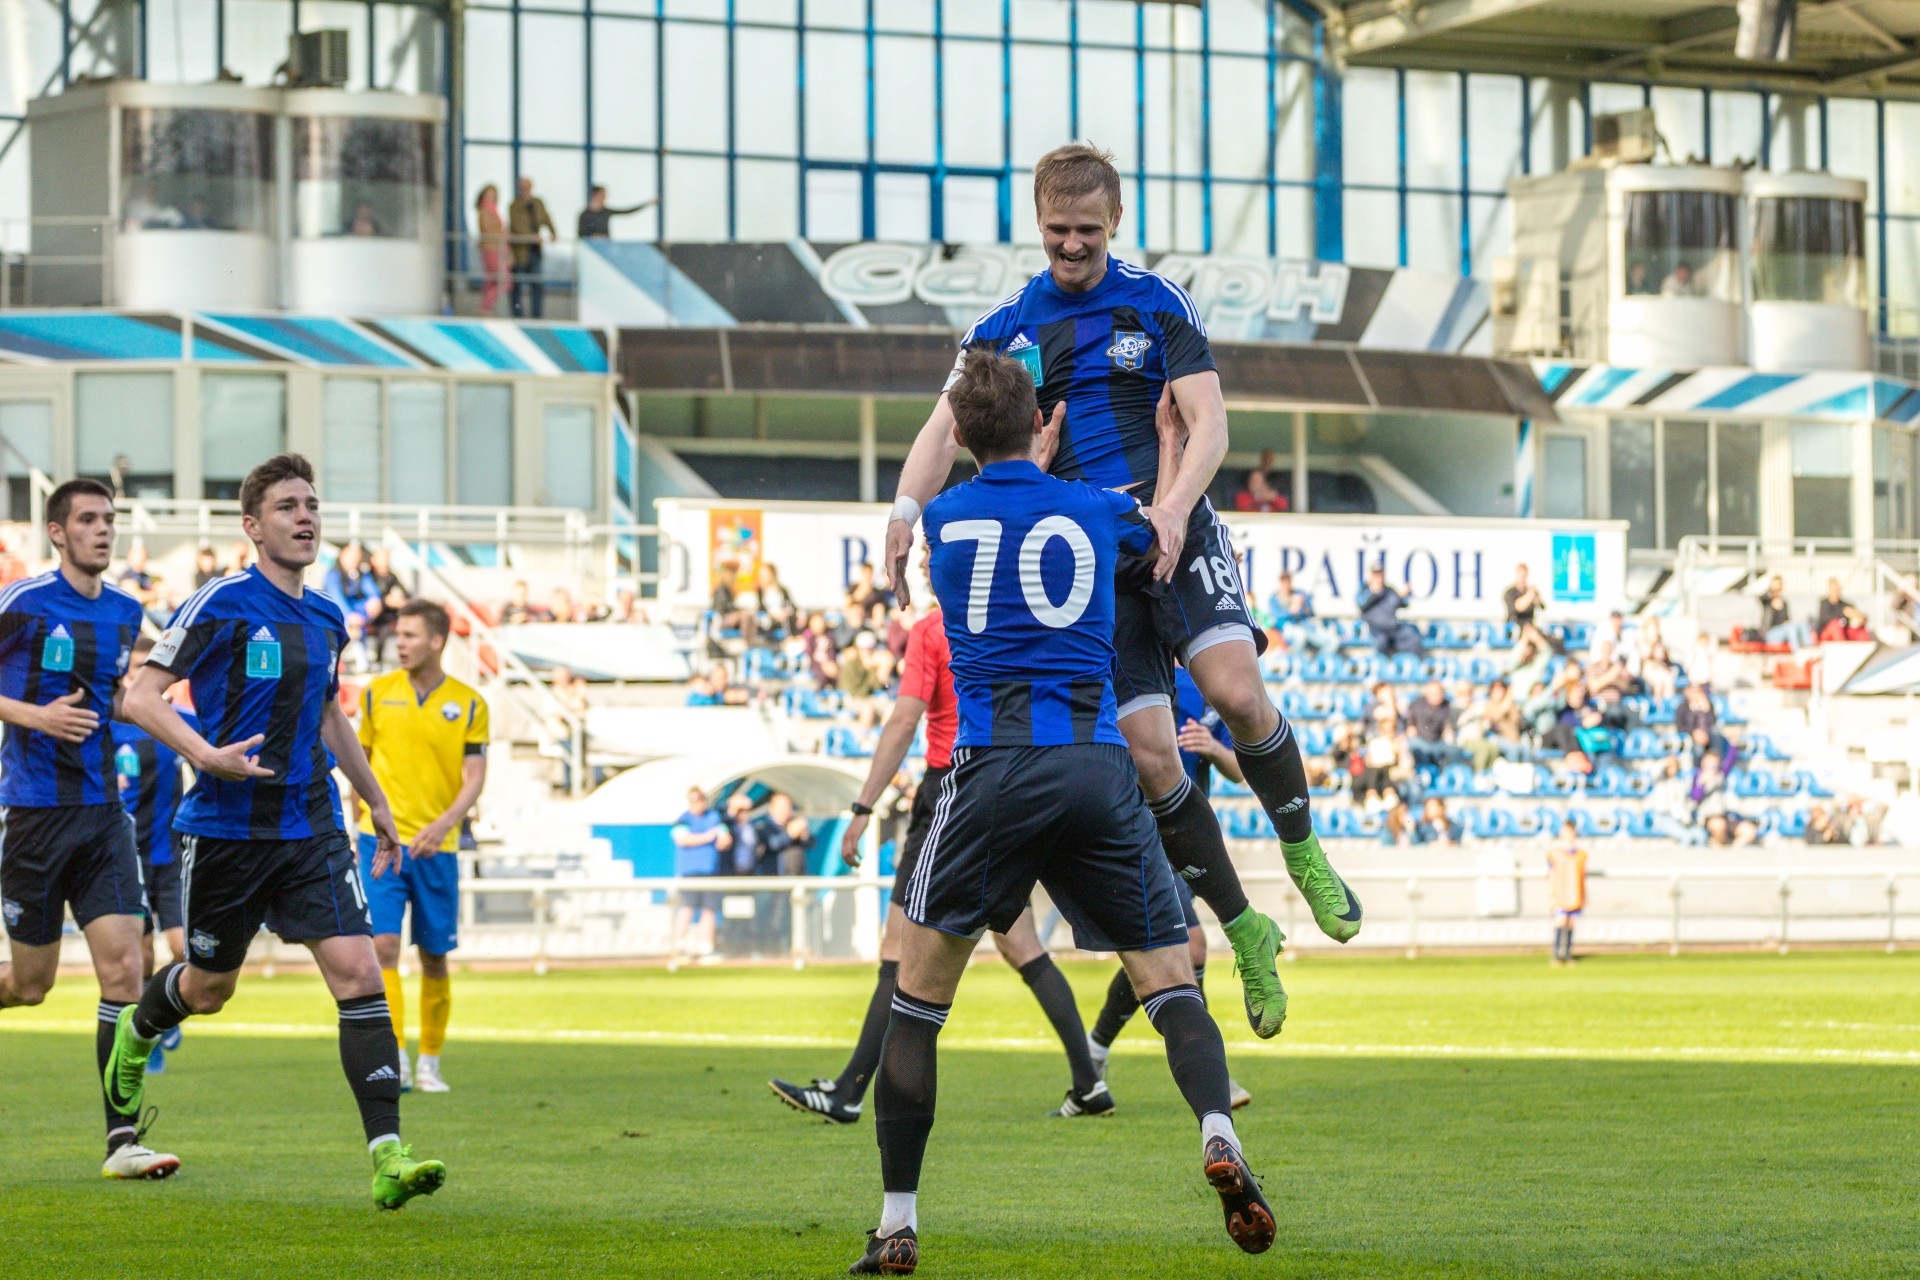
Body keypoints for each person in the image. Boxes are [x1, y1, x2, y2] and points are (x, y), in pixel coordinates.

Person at [880, 144, 1357, 1045]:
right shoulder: (1007, 324)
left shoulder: (1157, 302)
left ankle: (1303, 851)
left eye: (1088, 231)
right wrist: (906, 507)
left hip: (1177, 531)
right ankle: (1244, 928)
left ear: (1116, 224)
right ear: (1037, 222)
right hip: (1101, 564)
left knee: (1235, 694)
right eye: (1058, 230)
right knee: (1149, 757)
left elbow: (1210, 421)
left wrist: (1176, 506)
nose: (1072, 246)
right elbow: (940, 432)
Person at [850, 348, 1274, 1275]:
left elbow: (995, 515)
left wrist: (1014, 463)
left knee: (917, 1002)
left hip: (992, 770)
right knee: (1171, 981)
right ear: (1046, 422)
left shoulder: (948, 521)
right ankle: (1217, 1129)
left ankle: (895, 1223)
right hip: (1096, 766)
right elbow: (1162, 537)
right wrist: (1164, 447)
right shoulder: (1094, 508)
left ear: (959, 435)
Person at [105, 453, 446, 1210]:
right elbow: (141, 696)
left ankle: (389, 1155)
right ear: (253, 525)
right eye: (288, 506)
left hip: (311, 825)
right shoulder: (220, 602)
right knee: (209, 987)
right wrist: (205, 755)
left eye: (313, 504)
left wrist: (376, 801)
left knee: (360, 973)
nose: (305, 516)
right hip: (225, 830)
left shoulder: (329, 617)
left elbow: (329, 717)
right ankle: (141, 1029)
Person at [771, 601, 1114, 1126]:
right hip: (1014, 779)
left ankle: (848, 1092)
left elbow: (905, 716)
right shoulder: (1016, 615)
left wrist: (863, 806)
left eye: (932, 552)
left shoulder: (934, 627)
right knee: (1021, 944)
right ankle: (1089, 1083)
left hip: (949, 791)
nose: (928, 560)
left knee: (898, 946)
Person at [0, 479, 166, 1179]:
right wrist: (35, 716)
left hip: (104, 817)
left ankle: (122, 1141)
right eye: (89, 520)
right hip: (35, 818)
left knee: (126, 970)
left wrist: (192, 736)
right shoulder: (25, 603)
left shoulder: (128, 613)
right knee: (30, 985)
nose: (104, 530)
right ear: (57, 532)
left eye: (110, 520)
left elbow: (119, 700)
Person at [1084, 666, 1253, 1110]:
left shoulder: (1205, 688)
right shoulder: (1123, 674)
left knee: (1158, 954)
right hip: (1139, 833)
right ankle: (1214, 1075)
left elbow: (1240, 770)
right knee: (1191, 946)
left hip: (1185, 839)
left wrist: (1213, 749)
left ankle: (1094, 1050)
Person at [351, 600, 489, 1096]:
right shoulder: (374, 695)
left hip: (439, 847)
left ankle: (429, 1059)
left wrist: (446, 822)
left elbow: (475, 776)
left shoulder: (470, 703)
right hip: (380, 842)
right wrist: (358, 821)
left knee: (434, 956)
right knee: (382, 947)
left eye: (410, 635)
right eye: (398, 635)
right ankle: (396, 1058)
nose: (400, 643)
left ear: (437, 641)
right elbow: (358, 762)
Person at [112, 635, 199, 1076]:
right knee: (140, 954)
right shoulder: (107, 726)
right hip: (125, 855)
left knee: (185, 950)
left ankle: (166, 1010)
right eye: (134, 666)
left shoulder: (180, 721)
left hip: (170, 853)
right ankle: (152, 1036)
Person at [671, 786, 731, 962]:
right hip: (690, 873)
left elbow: (724, 839)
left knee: (709, 910)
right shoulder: (684, 819)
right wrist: (708, 837)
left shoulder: (713, 817)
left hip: (710, 872)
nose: (697, 803)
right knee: (687, 908)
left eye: (700, 799)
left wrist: (722, 839)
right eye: (693, 799)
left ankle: (706, 947)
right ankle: (679, 946)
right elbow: (683, 839)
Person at [508, 176, 556, 319]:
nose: (525, 189)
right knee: (517, 285)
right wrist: (531, 236)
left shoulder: (538, 203)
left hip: (535, 250)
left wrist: (553, 232)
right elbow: (516, 226)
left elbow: (546, 218)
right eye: (523, 186)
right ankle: (518, 316)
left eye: (527, 186)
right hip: (520, 251)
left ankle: (537, 316)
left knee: (537, 285)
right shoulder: (514, 206)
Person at [1357, 563, 1423, 657]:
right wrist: (1373, 594)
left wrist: (1401, 596)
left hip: (1392, 627)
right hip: (1374, 628)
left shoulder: (1389, 590)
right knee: (1382, 641)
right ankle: (1381, 666)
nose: (1378, 577)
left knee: (1413, 638)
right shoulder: (1365, 589)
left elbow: (1404, 604)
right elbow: (1360, 604)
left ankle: (1407, 664)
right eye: (1376, 574)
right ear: (1371, 575)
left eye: (1380, 574)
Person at [1547, 822, 1587, 966]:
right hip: (1560, 893)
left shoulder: (1581, 854)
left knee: (1571, 923)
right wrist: (1551, 896)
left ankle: (1568, 953)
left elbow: (1582, 876)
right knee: (1561, 921)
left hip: (1575, 893)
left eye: (1571, 832)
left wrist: (1584, 895)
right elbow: (1551, 875)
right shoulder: (1555, 853)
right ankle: (1557, 954)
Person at [575, 184, 657, 239]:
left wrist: (648, 204)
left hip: (605, 246)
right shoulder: (584, 214)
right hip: (590, 249)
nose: (605, 197)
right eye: (602, 195)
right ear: (595, 195)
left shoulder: (606, 211)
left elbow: (627, 211)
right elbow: (580, 233)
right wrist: (593, 237)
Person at [475, 184, 509, 315]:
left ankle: (485, 309)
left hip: (497, 248)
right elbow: (486, 229)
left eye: (493, 195)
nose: (490, 197)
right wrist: (501, 232)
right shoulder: (485, 210)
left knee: (491, 280)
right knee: (504, 281)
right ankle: (485, 307)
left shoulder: (493, 209)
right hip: (491, 248)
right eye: (488, 195)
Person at [1759, 575, 1811, 648]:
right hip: (1770, 634)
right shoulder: (1767, 602)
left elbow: (1787, 619)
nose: (1777, 590)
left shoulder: (1785, 603)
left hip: (1784, 631)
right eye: (1775, 588)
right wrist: (1771, 590)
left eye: (1779, 587)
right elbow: (1761, 597)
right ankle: (1797, 653)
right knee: (1790, 628)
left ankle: (1808, 649)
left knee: (1803, 624)